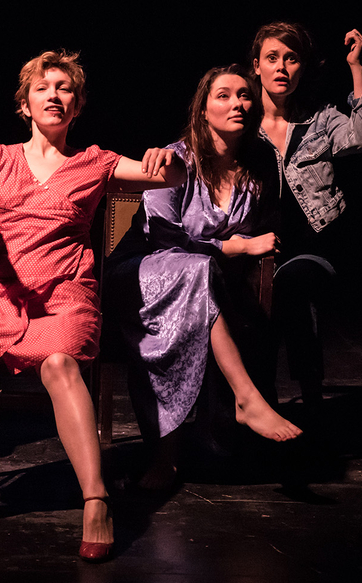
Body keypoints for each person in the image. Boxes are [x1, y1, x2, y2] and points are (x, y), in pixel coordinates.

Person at [0, 50, 186, 562]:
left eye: (64, 88)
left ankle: (96, 499)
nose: (54, 95)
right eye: (43, 87)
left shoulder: (97, 162)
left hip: (67, 291)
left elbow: (170, 179)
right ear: (24, 103)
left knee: (59, 363)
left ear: (78, 104)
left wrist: (169, 159)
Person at [104, 65, 302, 491]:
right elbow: (163, 237)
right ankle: (245, 399)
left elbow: (270, 229)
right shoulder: (174, 160)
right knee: (194, 270)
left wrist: (239, 251)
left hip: (207, 285)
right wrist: (237, 246)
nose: (238, 104)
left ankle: (168, 459)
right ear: (202, 109)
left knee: (200, 278)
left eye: (246, 96)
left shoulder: (261, 163)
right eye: (225, 96)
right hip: (140, 275)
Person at [251, 22, 362, 407]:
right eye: (272, 58)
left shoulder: (319, 119)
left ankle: (307, 392)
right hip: (255, 247)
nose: (282, 68)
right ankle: (261, 392)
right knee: (258, 293)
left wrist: (355, 67)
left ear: (302, 68)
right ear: (256, 66)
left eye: (291, 59)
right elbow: (198, 145)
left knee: (293, 281)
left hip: (313, 245)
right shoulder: (241, 121)